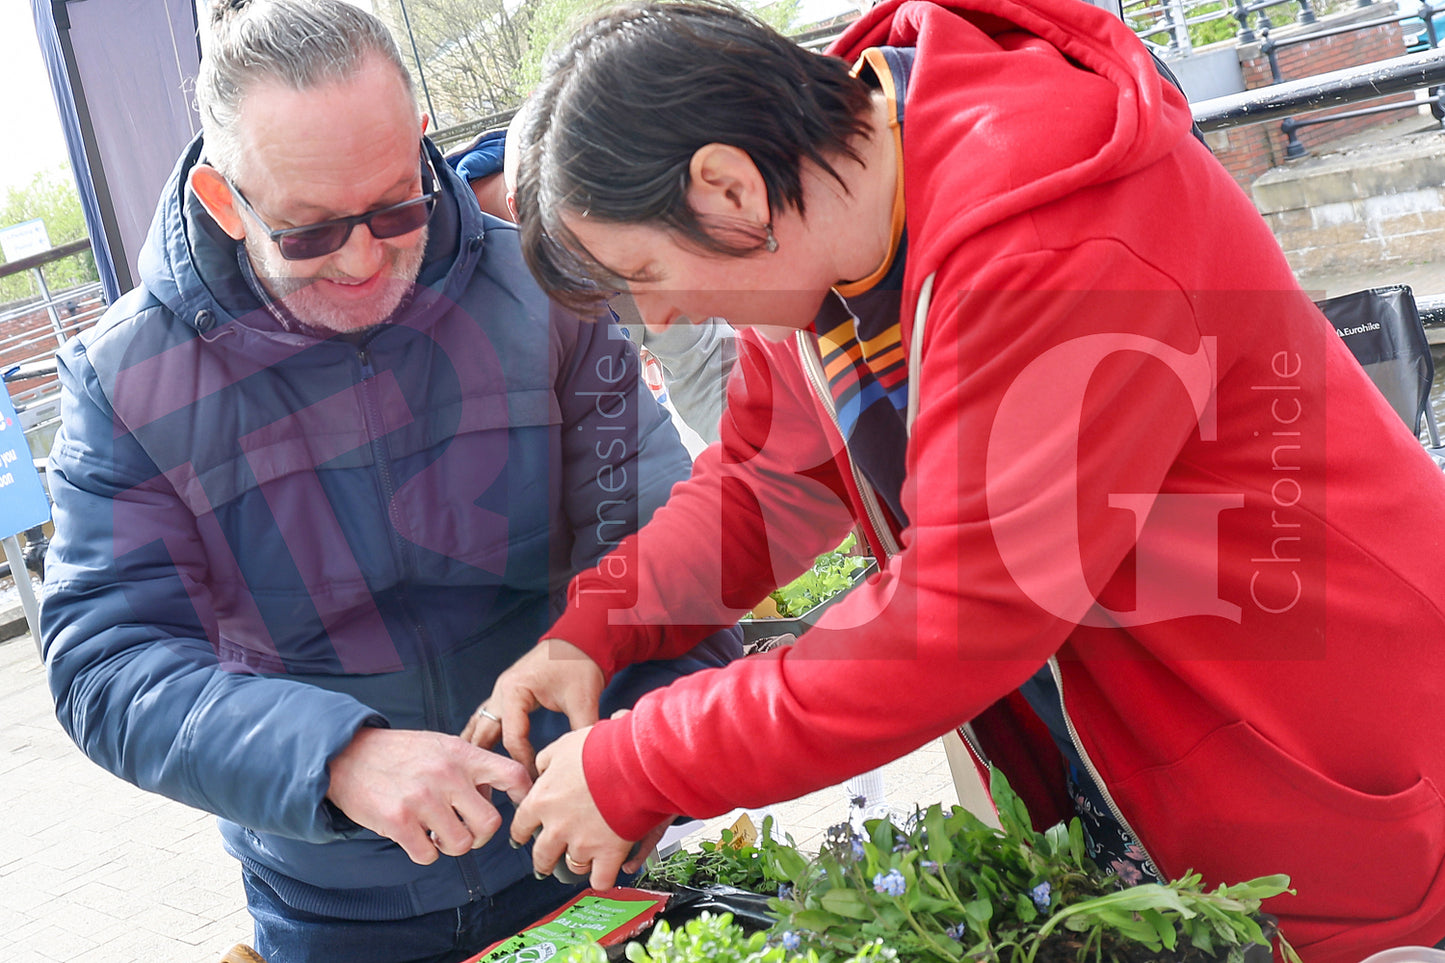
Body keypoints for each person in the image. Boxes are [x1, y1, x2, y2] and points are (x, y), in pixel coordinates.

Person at [468, 2, 1445, 961]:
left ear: (726, 189)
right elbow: (767, 488)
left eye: (642, 274)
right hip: (1144, 744)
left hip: (1299, 737)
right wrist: (595, 630)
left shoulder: (1055, 238)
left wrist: (641, 760)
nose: (664, 318)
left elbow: (963, 611)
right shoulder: (818, 242)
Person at [39, 2, 737, 961]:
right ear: (222, 197)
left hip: (592, 846)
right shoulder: (124, 382)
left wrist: (646, 754)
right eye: (310, 233)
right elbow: (105, 660)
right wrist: (333, 758)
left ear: (421, 142)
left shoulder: (545, 291)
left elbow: (668, 550)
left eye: (397, 207)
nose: (366, 261)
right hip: (332, 910)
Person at [448, 116, 737, 447]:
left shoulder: (621, 191)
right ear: (519, 212)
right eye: (592, 264)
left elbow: (705, 371)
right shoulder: (429, 273)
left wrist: (767, 463)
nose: (614, 286)